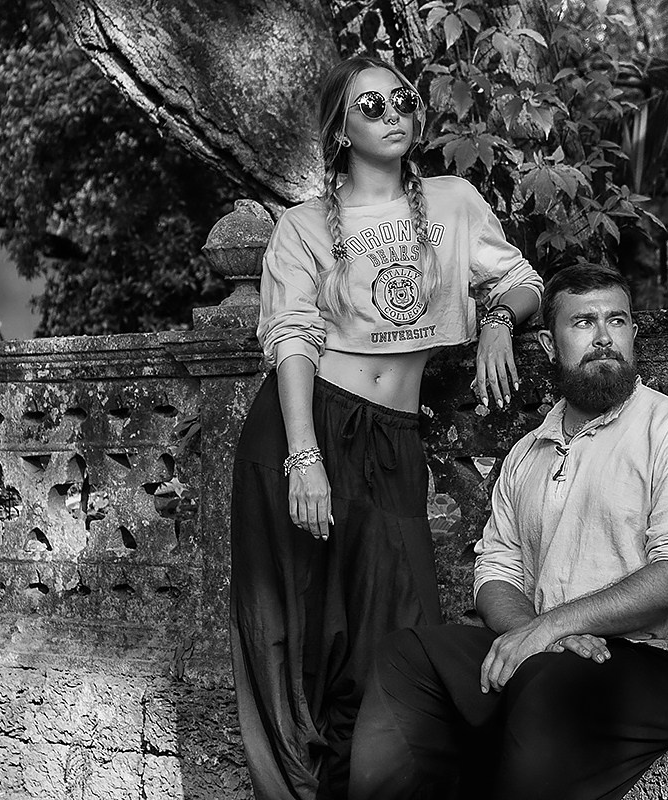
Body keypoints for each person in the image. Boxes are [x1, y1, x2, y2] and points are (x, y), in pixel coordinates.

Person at [230, 55, 543, 800]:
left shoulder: (454, 203)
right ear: (341, 129)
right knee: (299, 637)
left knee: (397, 629)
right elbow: (293, 338)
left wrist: (499, 320)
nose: (393, 113)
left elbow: (522, 280)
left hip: (395, 438)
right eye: (370, 106)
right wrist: (303, 458)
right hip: (305, 427)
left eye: (401, 99)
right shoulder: (304, 226)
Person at [348, 264, 668, 800]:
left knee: (545, 686)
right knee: (408, 656)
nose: (604, 337)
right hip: (547, 646)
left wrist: (550, 629)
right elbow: (495, 570)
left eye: (617, 320)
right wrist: (534, 633)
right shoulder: (528, 452)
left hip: (653, 660)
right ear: (551, 345)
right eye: (584, 323)